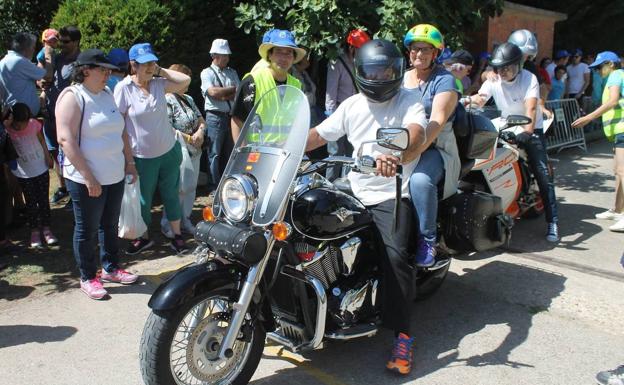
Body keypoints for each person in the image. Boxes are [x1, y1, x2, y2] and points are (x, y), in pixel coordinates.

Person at [306, 39, 428, 375]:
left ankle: (403, 335)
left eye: (384, 69)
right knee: (305, 228)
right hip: (354, 187)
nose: (378, 76)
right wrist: (282, 143)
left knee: (397, 258)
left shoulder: (409, 99)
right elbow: (318, 135)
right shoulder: (352, 105)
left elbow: (416, 135)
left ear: (396, 70)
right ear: (360, 71)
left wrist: (398, 157)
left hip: (392, 190)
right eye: (371, 70)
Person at [56, 49, 139, 300]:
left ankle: (111, 268)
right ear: (85, 71)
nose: (107, 74)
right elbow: (65, 139)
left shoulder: (106, 94)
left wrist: (129, 162)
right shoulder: (73, 96)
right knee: (87, 229)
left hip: (113, 174)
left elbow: (121, 131)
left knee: (109, 224)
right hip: (85, 178)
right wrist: (89, 177)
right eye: (102, 69)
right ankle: (88, 276)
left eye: (108, 70)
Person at [475, 42, 560, 242]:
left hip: (530, 127)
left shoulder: (528, 78)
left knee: (542, 173)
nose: (502, 71)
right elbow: (480, 98)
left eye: (507, 66)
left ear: (518, 65)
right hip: (505, 125)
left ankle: (553, 222)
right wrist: (464, 102)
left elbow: (530, 108)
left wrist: (528, 132)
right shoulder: (494, 78)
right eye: (499, 67)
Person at [114, 43, 191, 255]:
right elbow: (119, 126)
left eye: (152, 62)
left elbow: (185, 80)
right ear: (133, 65)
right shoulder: (123, 88)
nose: (150, 67)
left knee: (171, 195)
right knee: (143, 200)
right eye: (145, 64)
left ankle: (177, 236)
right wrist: (128, 160)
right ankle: (143, 237)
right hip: (142, 157)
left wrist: (159, 70)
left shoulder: (159, 84)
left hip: (168, 152)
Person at [402, 23, 461, 266]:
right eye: (416, 49)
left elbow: (436, 121)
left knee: (419, 181)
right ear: (409, 51)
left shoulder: (444, 80)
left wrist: (414, 150)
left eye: (426, 50)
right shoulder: (401, 77)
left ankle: (428, 240)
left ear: (435, 53)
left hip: (435, 148)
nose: (419, 54)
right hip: (400, 144)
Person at [571, 51, 624, 232]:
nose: (597, 71)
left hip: (623, 130)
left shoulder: (616, 75)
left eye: (600, 67)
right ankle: (618, 209)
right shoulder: (616, 75)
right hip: (618, 132)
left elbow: (612, 101)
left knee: (623, 172)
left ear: (610, 64)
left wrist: (589, 118)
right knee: (618, 171)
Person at [231, 29, 305, 140]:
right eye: (278, 51)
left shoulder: (297, 86)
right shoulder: (252, 81)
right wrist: (241, 152)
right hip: (255, 153)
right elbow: (237, 120)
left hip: (285, 153)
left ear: (294, 58)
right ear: (269, 55)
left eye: (288, 52)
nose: (283, 58)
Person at [161, 64, 206, 237]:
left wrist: (200, 132)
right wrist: (190, 139)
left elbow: (201, 118)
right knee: (177, 187)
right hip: (178, 148)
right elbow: (167, 126)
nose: (187, 83)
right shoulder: (165, 98)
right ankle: (168, 222)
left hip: (195, 149)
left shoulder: (188, 98)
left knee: (190, 186)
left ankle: (185, 218)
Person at [3, 103, 57, 248]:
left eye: (25, 123)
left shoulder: (33, 124)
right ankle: (34, 231)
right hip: (23, 173)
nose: (22, 126)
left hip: (40, 168)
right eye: (20, 124)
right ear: (13, 119)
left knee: (43, 200)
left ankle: (47, 229)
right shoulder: (6, 129)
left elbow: (41, 140)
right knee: (31, 202)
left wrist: (47, 156)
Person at [324, 29, 370, 180]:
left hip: (357, 116)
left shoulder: (363, 65)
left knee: (354, 152)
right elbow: (330, 92)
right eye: (360, 50)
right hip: (337, 113)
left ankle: (347, 185)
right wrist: (330, 116)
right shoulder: (336, 63)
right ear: (351, 48)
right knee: (335, 153)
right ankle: (328, 185)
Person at [43, 25, 82, 205]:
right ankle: (63, 188)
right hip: (50, 115)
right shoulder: (57, 58)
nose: (61, 45)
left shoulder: (81, 62)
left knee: (71, 153)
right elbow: (45, 77)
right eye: (60, 41)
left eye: (65, 42)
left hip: (69, 119)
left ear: (76, 42)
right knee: (56, 154)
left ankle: (76, 194)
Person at [200, 39, 239, 189]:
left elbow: (239, 90)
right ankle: (214, 186)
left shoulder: (232, 71)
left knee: (230, 152)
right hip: (214, 116)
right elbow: (213, 92)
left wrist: (224, 94)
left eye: (227, 55)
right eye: (223, 55)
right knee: (214, 153)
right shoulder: (206, 73)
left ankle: (228, 184)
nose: (226, 58)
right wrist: (230, 91)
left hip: (230, 116)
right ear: (214, 55)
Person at [0, 32, 52, 116]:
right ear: (26, 48)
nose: (33, 50)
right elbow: (48, 76)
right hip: (22, 117)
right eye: (33, 47)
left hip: (12, 113)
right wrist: (48, 55)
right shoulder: (19, 61)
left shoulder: (4, 61)